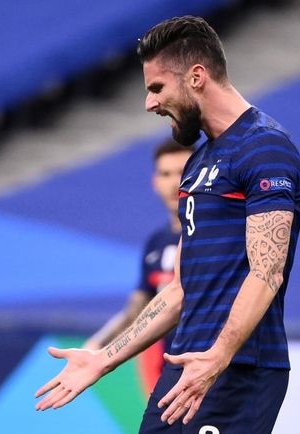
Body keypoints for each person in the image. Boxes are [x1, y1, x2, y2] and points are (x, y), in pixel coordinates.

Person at [35, 15, 300, 434]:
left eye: (157, 87)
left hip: (237, 369)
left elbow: (266, 271)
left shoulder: (265, 148)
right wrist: (104, 359)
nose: (150, 103)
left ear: (196, 77)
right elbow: (180, 288)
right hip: (182, 366)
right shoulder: (199, 162)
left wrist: (217, 357)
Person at [83, 138, 193, 391]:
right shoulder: (156, 242)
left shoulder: (216, 235)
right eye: (166, 174)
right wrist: (97, 347)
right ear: (155, 182)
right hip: (171, 376)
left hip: (211, 373)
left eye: (182, 172)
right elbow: (136, 312)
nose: (174, 183)